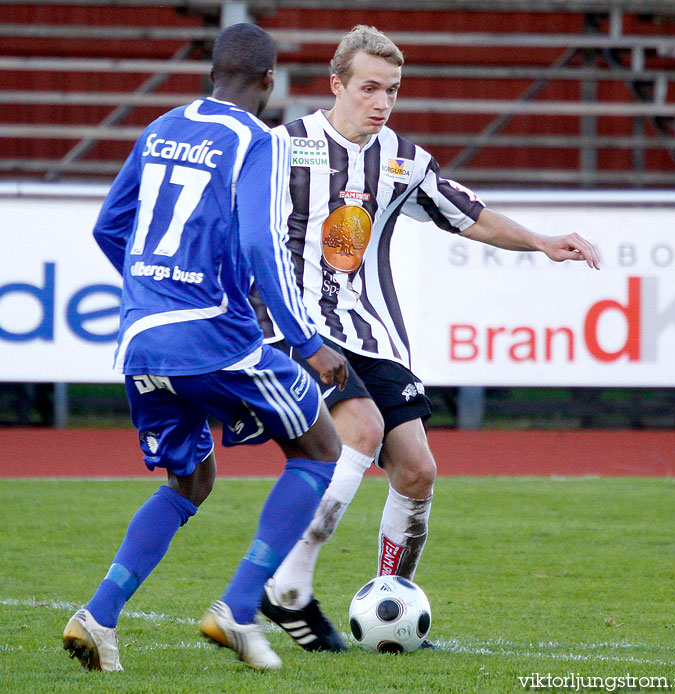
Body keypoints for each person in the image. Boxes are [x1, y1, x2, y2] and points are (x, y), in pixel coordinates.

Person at [253, 25, 601, 651]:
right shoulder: (283, 147)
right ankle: (286, 582)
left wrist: (545, 242)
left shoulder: (400, 159)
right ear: (337, 85)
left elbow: (470, 214)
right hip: (298, 329)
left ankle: (390, 604)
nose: (381, 101)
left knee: (417, 472)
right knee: (357, 432)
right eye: (368, 88)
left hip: (372, 331)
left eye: (392, 90)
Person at [61, 23, 349, 673]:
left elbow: (110, 227)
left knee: (192, 478)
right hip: (213, 336)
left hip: (140, 338)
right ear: (269, 82)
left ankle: (99, 616)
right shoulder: (257, 140)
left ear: (213, 72)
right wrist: (305, 341)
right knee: (321, 446)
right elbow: (258, 244)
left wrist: (151, 290)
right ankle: (239, 608)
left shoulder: (162, 126)